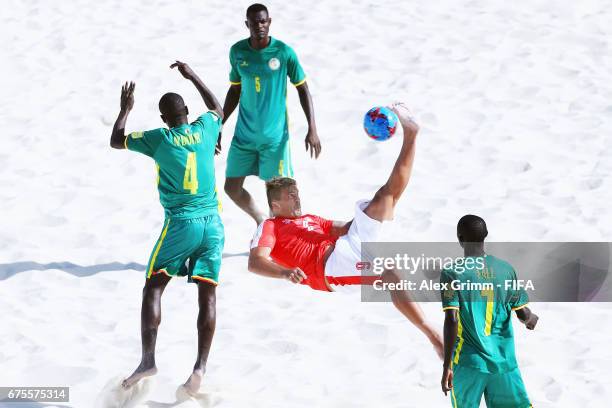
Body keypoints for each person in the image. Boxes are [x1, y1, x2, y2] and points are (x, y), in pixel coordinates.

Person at [248, 103, 443, 357]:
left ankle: (411, 135)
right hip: (331, 269)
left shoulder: (309, 218)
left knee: (385, 196)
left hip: (347, 242)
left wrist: (373, 213)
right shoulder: (269, 225)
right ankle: (435, 338)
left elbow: (341, 228)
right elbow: (256, 261)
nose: (297, 200)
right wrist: (284, 273)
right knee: (392, 275)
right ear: (276, 204)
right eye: (291, 197)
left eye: (297, 194)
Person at [109, 61, 224, 395]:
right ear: (187, 111)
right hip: (213, 225)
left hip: (182, 225)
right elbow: (217, 107)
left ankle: (148, 360)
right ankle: (200, 367)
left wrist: (124, 110)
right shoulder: (205, 129)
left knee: (154, 288)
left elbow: (117, 140)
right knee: (208, 294)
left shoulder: (161, 138)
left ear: (163, 119)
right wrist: (192, 76)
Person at [221, 3, 321, 225]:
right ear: (247, 24)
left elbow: (303, 88)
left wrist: (312, 128)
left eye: (263, 21)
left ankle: (288, 233)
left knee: (279, 192)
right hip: (244, 136)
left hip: (274, 137)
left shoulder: (284, 52)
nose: (259, 26)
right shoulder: (237, 52)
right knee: (231, 187)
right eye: (254, 22)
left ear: (269, 22)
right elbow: (235, 90)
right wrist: (219, 124)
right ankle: (260, 220)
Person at [440, 215, 538, 407]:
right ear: (485, 235)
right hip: (504, 363)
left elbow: (452, 319)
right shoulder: (505, 270)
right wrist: (531, 319)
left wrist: (447, 366)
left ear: (459, 238)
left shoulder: (451, 272)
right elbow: (523, 314)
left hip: (469, 362)